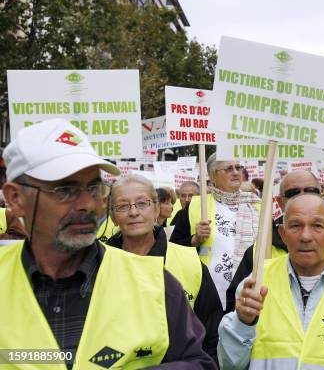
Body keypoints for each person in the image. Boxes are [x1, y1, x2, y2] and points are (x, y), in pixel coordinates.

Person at [0, 118, 214, 368]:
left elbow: (199, 363)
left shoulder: (156, 284)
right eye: (65, 190)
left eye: (94, 188)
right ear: (15, 198)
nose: (87, 204)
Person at [218, 194, 324, 370]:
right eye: (295, 226)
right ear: (283, 235)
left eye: (317, 226)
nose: (305, 236)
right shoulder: (256, 283)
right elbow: (229, 364)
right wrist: (243, 323)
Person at [106, 175, 224, 364]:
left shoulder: (190, 263)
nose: (133, 212)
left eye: (142, 203)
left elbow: (211, 339)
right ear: (112, 216)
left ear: (156, 209)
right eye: (123, 206)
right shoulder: (97, 265)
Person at [226, 170, 324, 312]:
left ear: (321, 197)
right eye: (293, 193)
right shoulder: (258, 251)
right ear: (280, 202)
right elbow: (236, 310)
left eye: (310, 191)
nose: (303, 197)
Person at [170, 153, 260, 309]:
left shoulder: (257, 205)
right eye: (228, 168)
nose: (235, 172)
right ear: (212, 177)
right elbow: (173, 248)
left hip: (249, 293)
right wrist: (194, 240)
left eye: (238, 167)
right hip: (206, 295)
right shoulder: (195, 206)